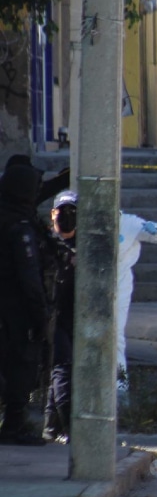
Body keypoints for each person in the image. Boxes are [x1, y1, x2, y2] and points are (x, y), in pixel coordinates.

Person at [0, 163, 49, 445]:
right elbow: (29, 276)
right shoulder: (20, 227)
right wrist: (40, 315)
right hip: (15, 307)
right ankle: (13, 424)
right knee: (22, 363)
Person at [116, 211, 157, 396]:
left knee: (116, 338)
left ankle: (119, 389)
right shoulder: (87, 219)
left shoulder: (128, 222)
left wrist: (154, 230)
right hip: (91, 283)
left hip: (119, 284)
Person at [42, 190, 77, 444]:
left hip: (72, 315)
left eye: (71, 213)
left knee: (60, 370)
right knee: (61, 370)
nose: (65, 218)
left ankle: (51, 427)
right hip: (51, 316)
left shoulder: (83, 246)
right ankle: (70, 430)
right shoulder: (45, 244)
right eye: (61, 213)